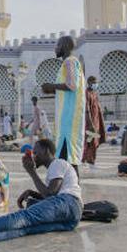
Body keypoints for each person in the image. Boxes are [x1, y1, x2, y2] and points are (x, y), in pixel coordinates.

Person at [41, 36, 86, 176]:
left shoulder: (69, 62)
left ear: (65, 46)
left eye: (58, 45)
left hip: (69, 118)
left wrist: (50, 86)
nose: (55, 48)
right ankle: (70, 189)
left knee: (69, 158)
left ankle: (73, 191)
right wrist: (53, 89)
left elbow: (72, 85)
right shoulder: (69, 63)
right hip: (67, 117)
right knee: (66, 159)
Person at [82, 76, 106, 166]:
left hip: (96, 123)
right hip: (90, 124)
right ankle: (87, 159)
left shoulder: (94, 93)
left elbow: (98, 108)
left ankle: (90, 159)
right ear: (89, 83)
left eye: (96, 82)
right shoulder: (86, 93)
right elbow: (86, 109)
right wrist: (90, 123)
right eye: (94, 83)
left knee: (93, 141)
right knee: (89, 142)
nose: (96, 84)